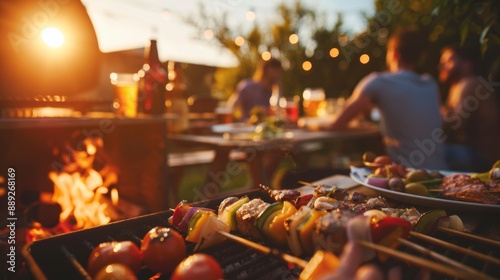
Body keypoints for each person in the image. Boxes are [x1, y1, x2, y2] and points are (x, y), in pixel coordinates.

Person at [330, 28, 448, 170]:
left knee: (352, 166)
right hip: (440, 172)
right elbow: (413, 116)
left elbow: (338, 124)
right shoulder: (430, 84)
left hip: (407, 177)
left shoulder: (378, 81)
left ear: (394, 54)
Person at [439, 45, 500, 171]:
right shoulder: (457, 87)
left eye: (449, 60)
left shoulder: (469, 83)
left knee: (431, 153)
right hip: (474, 155)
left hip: (483, 159)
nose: (442, 66)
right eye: (442, 62)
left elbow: (455, 125)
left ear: (467, 64)